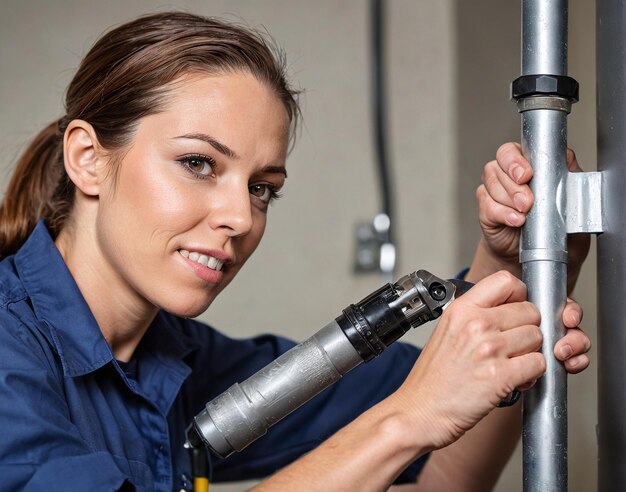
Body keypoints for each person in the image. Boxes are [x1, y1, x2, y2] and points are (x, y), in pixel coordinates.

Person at [0, 12, 590, 492]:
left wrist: (517, 263)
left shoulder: (180, 359)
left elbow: (447, 460)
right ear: (88, 159)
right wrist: (402, 421)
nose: (240, 217)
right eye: (198, 164)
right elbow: (416, 413)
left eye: (262, 189)